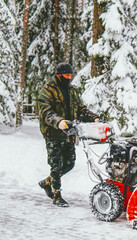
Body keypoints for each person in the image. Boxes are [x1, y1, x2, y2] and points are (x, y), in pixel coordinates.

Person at [37, 62, 99, 207]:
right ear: (59, 76)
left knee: (69, 164)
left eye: (71, 75)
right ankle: (57, 195)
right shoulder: (47, 91)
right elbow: (45, 112)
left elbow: (80, 108)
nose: (69, 77)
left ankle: (47, 182)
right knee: (56, 165)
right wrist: (59, 122)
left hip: (69, 133)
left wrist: (93, 117)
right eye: (66, 75)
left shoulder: (71, 91)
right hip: (54, 133)